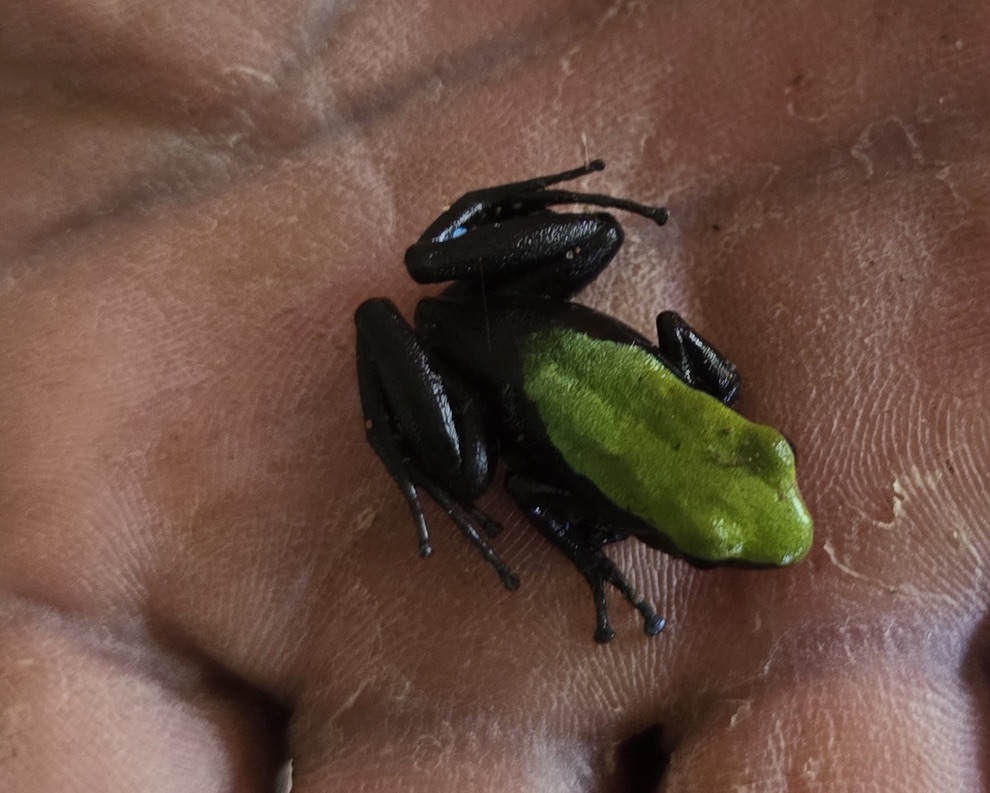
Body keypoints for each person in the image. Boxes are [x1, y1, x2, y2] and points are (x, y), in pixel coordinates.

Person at [1, 1, 987, 790]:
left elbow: (673, 359)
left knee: (578, 249)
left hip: (519, 312)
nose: (784, 472)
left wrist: (695, 409)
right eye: (756, 454)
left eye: (762, 453)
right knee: (476, 464)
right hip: (483, 355)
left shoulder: (697, 424)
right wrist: (599, 559)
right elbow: (552, 500)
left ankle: (495, 288)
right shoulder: (626, 496)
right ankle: (411, 453)